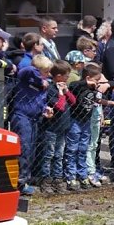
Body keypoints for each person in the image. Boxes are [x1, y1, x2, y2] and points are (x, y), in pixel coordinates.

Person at [10, 54, 53, 196]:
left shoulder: (44, 85)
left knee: (31, 150)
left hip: (35, 118)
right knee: (24, 148)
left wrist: (45, 108)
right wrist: (39, 77)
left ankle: (25, 179)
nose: (48, 75)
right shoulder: (26, 77)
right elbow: (25, 70)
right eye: (46, 72)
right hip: (21, 116)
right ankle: (19, 182)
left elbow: (40, 100)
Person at [38, 60, 76, 193]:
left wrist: (66, 91)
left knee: (59, 155)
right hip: (52, 128)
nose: (67, 78)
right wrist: (60, 93)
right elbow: (59, 107)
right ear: (59, 76)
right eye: (66, 75)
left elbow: (73, 101)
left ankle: (57, 178)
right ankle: (46, 179)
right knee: (49, 155)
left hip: (63, 127)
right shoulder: (51, 89)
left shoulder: (64, 88)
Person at [65, 62, 104, 190]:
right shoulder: (78, 86)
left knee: (83, 148)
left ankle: (82, 174)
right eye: (96, 80)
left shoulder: (94, 89)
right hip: (75, 121)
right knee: (72, 149)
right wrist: (86, 84)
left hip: (86, 121)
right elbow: (72, 85)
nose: (98, 83)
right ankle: (71, 176)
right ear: (88, 78)